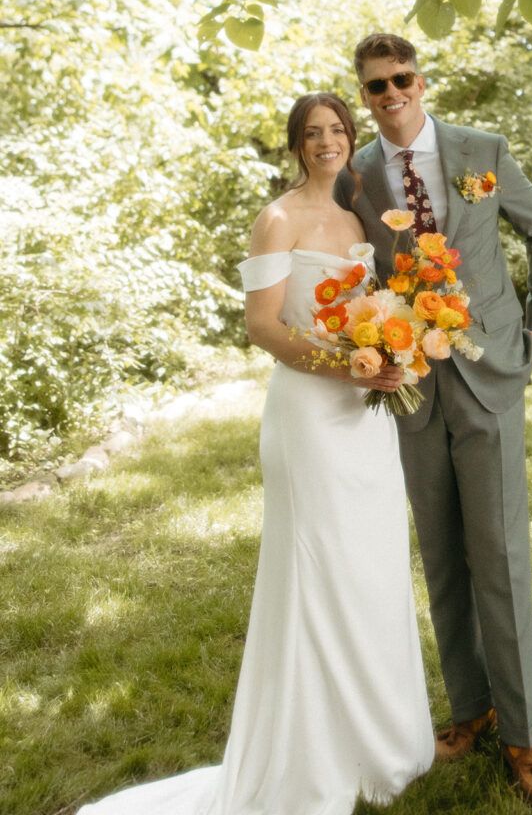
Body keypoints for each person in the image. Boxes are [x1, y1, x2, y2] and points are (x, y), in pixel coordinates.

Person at [77, 92, 434, 815]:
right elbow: (263, 326)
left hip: (365, 415)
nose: (326, 142)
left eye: (336, 130)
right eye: (313, 133)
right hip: (308, 413)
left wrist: (391, 348)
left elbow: (377, 303)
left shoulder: (355, 214)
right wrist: (345, 366)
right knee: (317, 571)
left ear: (348, 138)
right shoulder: (276, 219)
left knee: (370, 568)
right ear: (295, 144)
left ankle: (377, 740)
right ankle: (308, 753)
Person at [334, 34, 532, 809]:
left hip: (489, 368)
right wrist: (359, 342)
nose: (390, 94)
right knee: (440, 554)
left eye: (400, 79)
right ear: (362, 96)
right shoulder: (356, 173)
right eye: (375, 86)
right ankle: (469, 711)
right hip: (411, 383)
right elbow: (342, 268)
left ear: (420, 81)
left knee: (497, 552)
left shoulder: (479, 149)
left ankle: (524, 735)